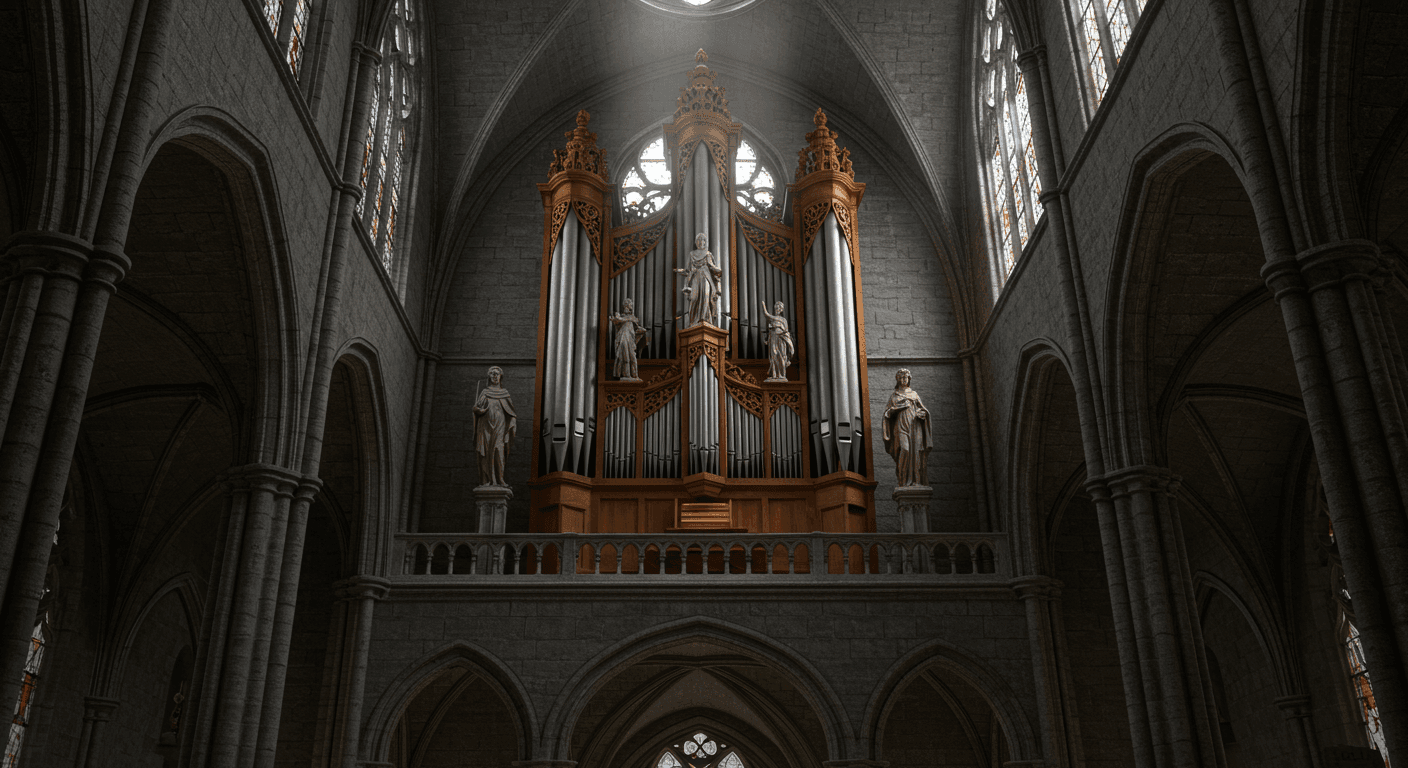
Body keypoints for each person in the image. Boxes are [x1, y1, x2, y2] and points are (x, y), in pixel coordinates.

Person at [882, 368, 932, 487]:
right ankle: (903, 480)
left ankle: (916, 481)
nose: (903, 380)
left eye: (905, 377)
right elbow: (887, 414)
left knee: (916, 452)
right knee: (905, 450)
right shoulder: (894, 395)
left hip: (915, 426)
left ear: (909, 379)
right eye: (901, 378)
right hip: (900, 426)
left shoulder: (914, 394)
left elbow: (923, 410)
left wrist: (923, 414)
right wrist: (898, 408)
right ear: (898, 380)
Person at [473, 366, 517, 488]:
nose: (494, 376)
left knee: (498, 451)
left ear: (500, 376)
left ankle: (500, 479)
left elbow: (511, 412)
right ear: (489, 376)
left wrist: (513, 421)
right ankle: (486, 480)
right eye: (492, 374)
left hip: (500, 427)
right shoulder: (485, 392)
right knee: (486, 452)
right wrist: (478, 410)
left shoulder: (505, 393)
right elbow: (476, 408)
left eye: (497, 374)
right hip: (485, 427)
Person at [674, 232, 722, 327]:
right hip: (696, 278)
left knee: (705, 296)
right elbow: (687, 270)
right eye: (698, 240)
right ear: (696, 242)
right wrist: (678, 271)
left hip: (706, 278)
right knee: (694, 298)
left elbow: (712, 267)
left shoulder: (708, 254)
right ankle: (694, 321)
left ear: (705, 242)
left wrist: (718, 270)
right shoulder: (692, 254)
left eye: (702, 240)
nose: (700, 242)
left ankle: (705, 319)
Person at [610, 297, 649, 380]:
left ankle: (634, 375)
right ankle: (626, 375)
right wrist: (616, 319)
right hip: (623, 338)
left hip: (630, 340)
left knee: (633, 358)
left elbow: (633, 325)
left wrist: (641, 331)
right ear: (626, 305)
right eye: (631, 304)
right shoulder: (623, 318)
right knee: (625, 356)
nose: (632, 306)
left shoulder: (631, 318)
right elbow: (618, 322)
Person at [760, 300, 794, 382]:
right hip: (773, 339)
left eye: (779, 307)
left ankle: (781, 375)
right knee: (773, 356)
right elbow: (770, 331)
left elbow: (786, 331)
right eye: (777, 307)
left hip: (781, 339)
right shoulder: (772, 319)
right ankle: (774, 375)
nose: (777, 309)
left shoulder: (783, 320)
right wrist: (768, 340)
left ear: (781, 309)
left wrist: (764, 305)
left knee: (781, 356)